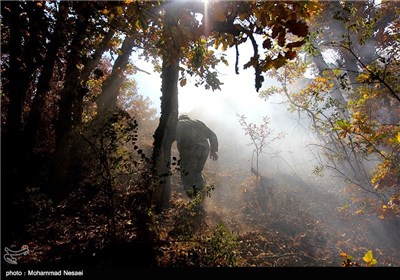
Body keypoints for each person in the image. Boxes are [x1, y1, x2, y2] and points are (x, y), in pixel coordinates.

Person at [175, 115, 218, 200]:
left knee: (186, 175)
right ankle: (202, 197)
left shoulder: (179, 124)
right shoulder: (198, 122)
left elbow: (168, 139)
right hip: (204, 150)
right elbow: (212, 135)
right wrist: (213, 150)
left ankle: (194, 200)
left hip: (190, 150)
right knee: (197, 172)